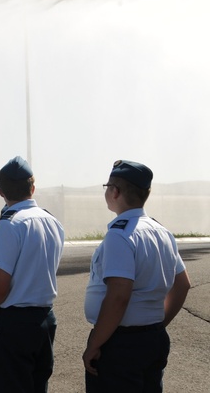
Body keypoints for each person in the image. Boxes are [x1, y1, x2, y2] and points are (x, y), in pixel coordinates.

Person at [82, 160, 191, 392]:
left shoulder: (119, 235)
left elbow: (118, 296)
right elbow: (182, 284)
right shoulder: (162, 232)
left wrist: (95, 343)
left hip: (121, 344)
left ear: (115, 192)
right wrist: (157, 325)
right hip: (152, 338)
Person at [0, 155, 65, 393]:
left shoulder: (9, 223)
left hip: (14, 323)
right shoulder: (53, 222)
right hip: (45, 318)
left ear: (0, 192)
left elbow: (1, 284)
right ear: (32, 188)